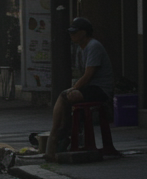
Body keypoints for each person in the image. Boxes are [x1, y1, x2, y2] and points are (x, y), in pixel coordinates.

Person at [45, 17, 114, 158]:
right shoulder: (80, 49)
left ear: (84, 33)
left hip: (100, 89)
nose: (72, 35)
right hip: (90, 87)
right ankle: (63, 132)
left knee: (66, 96)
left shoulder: (93, 46)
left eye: (75, 32)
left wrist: (74, 88)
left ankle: (57, 134)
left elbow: (88, 75)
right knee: (66, 97)